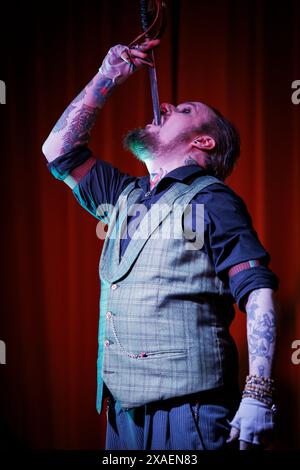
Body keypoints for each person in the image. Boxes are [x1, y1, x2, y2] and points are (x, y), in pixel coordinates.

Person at [42, 40, 279, 450]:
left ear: (202, 143)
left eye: (184, 110)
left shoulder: (211, 199)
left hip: (189, 412)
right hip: (124, 412)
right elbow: (58, 150)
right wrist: (107, 77)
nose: (165, 105)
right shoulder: (124, 196)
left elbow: (256, 289)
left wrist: (258, 391)